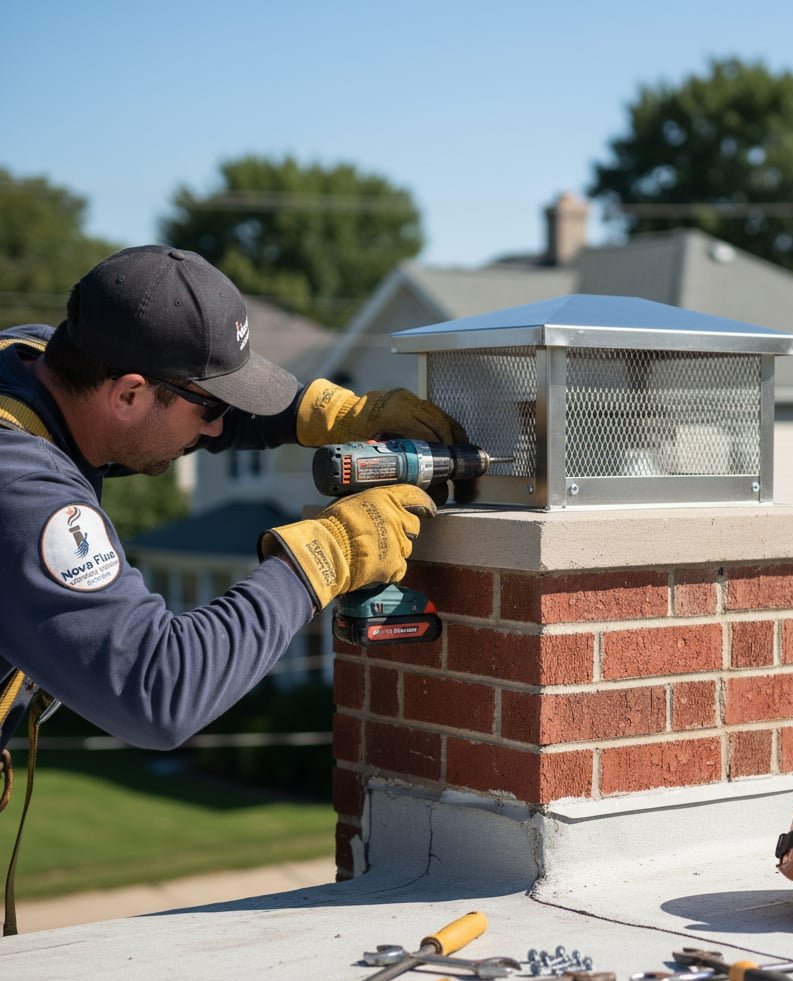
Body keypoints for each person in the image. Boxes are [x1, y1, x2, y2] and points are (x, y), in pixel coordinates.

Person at [0, 244, 464, 759]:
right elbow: (157, 689)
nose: (218, 427)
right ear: (128, 396)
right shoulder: (21, 493)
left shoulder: (36, 358)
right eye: (213, 406)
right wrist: (327, 554)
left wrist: (330, 411)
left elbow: (169, 405)